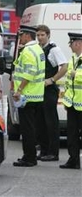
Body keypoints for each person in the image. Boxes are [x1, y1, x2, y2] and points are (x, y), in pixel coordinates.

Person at [12, 25, 46, 167]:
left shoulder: (27, 51)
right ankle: (31, 156)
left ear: (27, 36)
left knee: (27, 129)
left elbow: (29, 73)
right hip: (37, 95)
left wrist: (19, 90)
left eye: (21, 35)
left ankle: (29, 157)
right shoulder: (38, 49)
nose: (20, 38)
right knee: (32, 127)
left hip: (27, 96)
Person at [35, 24, 68, 162]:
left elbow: (64, 66)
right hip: (38, 90)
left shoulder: (54, 50)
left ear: (48, 35)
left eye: (42, 35)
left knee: (51, 122)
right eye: (38, 35)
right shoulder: (38, 49)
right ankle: (44, 150)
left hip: (49, 90)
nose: (40, 37)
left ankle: (53, 153)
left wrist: (52, 80)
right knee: (41, 122)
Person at [59, 32, 82, 170]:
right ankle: (73, 160)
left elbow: (75, 77)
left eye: (71, 43)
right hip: (73, 103)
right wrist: (66, 101)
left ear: (78, 44)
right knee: (71, 134)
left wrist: (77, 75)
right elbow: (68, 82)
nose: (70, 46)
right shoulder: (73, 58)